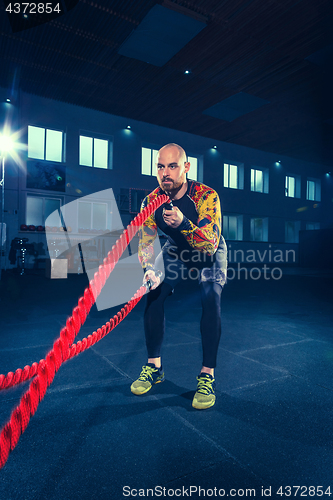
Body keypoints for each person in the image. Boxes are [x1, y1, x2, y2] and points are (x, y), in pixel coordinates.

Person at [131, 143, 227, 409]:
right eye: (160, 166)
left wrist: (184, 223)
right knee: (154, 291)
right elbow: (147, 240)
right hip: (177, 251)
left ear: (186, 167)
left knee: (210, 296)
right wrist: (149, 266)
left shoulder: (206, 196)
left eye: (172, 166)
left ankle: (207, 375)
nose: (166, 173)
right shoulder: (151, 201)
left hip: (209, 250)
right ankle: (155, 367)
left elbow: (209, 243)